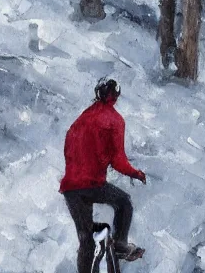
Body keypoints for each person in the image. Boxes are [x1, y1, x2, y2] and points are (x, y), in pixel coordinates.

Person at [60, 78, 147, 271]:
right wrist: (136, 173)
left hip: (70, 188)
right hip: (92, 184)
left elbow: (68, 147)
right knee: (124, 203)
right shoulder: (115, 121)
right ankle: (121, 246)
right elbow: (118, 161)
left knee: (86, 239)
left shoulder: (82, 119)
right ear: (116, 95)